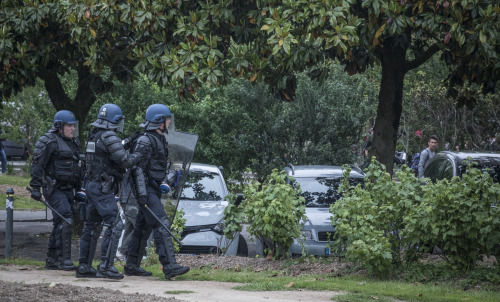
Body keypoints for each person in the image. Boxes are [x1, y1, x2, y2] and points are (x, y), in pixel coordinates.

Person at [76, 104, 143, 279]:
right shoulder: (109, 135)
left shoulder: (95, 135)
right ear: (114, 121)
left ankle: (84, 266)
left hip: (92, 186)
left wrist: (129, 141)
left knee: (91, 226)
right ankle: (106, 266)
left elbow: (110, 153)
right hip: (102, 187)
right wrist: (139, 154)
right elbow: (125, 161)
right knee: (115, 224)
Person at [124, 104, 190, 279]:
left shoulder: (159, 139)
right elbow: (135, 168)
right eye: (167, 119)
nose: (169, 122)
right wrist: (142, 194)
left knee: (141, 228)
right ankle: (169, 266)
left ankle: (131, 264)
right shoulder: (145, 141)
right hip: (146, 192)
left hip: (152, 189)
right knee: (162, 224)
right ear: (160, 122)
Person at [29, 110, 83, 271]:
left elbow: (78, 166)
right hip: (53, 188)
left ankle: (52, 259)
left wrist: (80, 189)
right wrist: (35, 187)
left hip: (68, 188)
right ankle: (64, 259)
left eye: (74, 125)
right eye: (69, 125)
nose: (72, 129)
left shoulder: (74, 142)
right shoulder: (48, 141)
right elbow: (37, 165)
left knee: (61, 220)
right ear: (60, 126)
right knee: (65, 218)